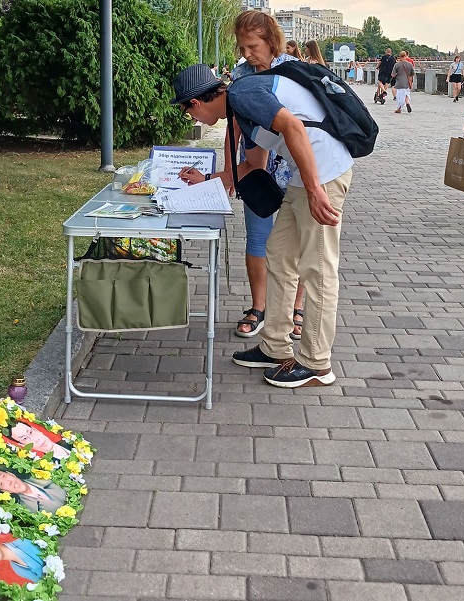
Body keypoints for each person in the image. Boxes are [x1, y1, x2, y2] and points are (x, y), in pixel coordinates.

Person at [172, 57, 353, 387]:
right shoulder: (239, 107)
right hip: (305, 175)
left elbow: (295, 127)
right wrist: (211, 179)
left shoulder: (242, 96)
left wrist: (314, 190)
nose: (192, 117)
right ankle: (275, 347)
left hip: (322, 174)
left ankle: (316, 363)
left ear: (195, 103)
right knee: (280, 256)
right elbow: (254, 164)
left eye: (188, 111)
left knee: (318, 268)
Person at [179, 12, 307, 340]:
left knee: (300, 244)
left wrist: (222, 178)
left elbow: (261, 160)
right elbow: (234, 125)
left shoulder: (289, 72)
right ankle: (261, 307)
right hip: (257, 161)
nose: (247, 53)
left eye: (253, 45)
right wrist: (227, 171)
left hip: (297, 167)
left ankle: (296, 308)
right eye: (242, 46)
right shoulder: (240, 76)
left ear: (271, 41)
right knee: (259, 239)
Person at [0, 466, 67, 513]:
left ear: (10, 474)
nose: (8, 482)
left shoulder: (44, 474)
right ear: (4, 491)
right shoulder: (26, 510)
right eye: (1, 484)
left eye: (4, 476)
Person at [3, 418, 72, 460]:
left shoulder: (68, 440)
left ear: (35, 429)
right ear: (22, 445)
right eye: (25, 438)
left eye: (30, 432)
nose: (35, 439)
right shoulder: (49, 466)